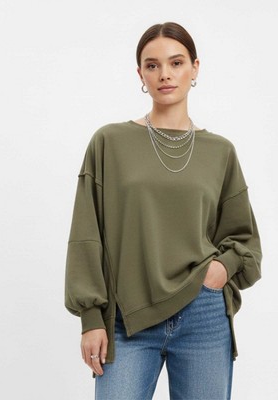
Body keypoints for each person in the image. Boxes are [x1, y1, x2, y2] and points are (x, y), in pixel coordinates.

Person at [65, 21, 262, 400]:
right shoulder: (109, 142)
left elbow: (244, 238)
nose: (165, 74)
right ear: (140, 74)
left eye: (176, 62)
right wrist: (91, 317)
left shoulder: (220, 151)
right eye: (152, 65)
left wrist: (220, 271)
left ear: (195, 68)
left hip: (204, 314)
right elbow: (87, 233)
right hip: (127, 317)